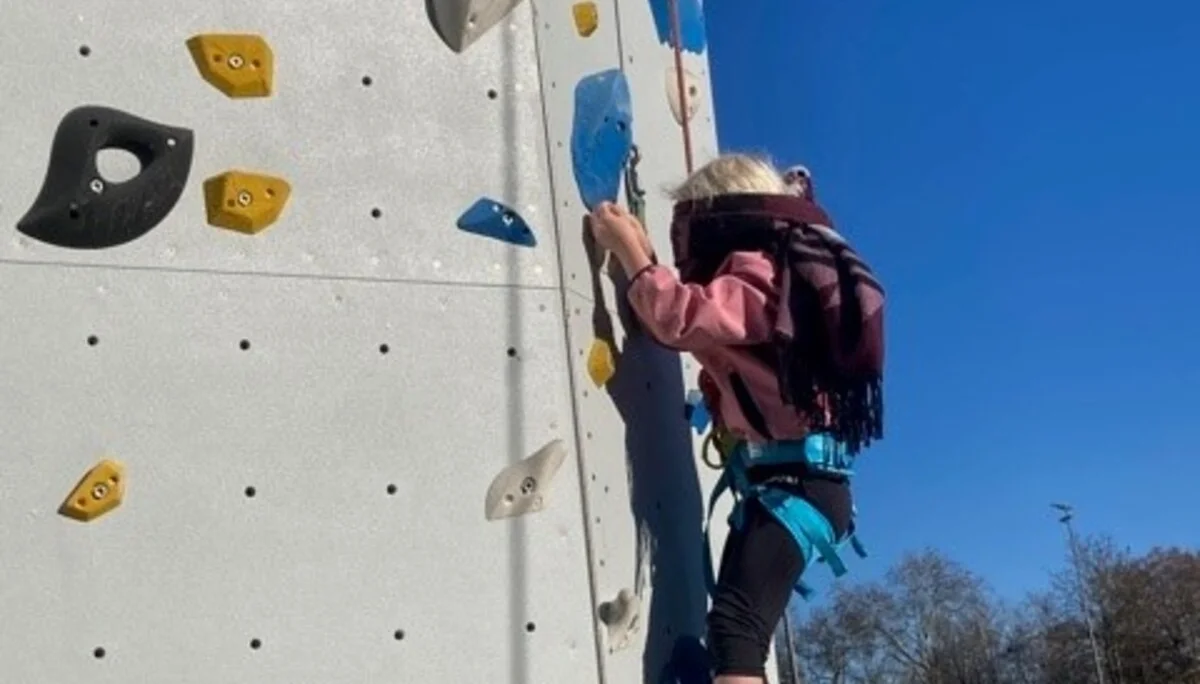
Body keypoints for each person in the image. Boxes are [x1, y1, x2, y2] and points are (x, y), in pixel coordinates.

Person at [587, 153, 885, 684]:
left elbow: (682, 317)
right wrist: (646, 261)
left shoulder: (759, 271)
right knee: (734, 627)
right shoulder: (781, 276)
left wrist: (631, 252)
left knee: (736, 629)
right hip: (798, 482)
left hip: (798, 485)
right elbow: (696, 323)